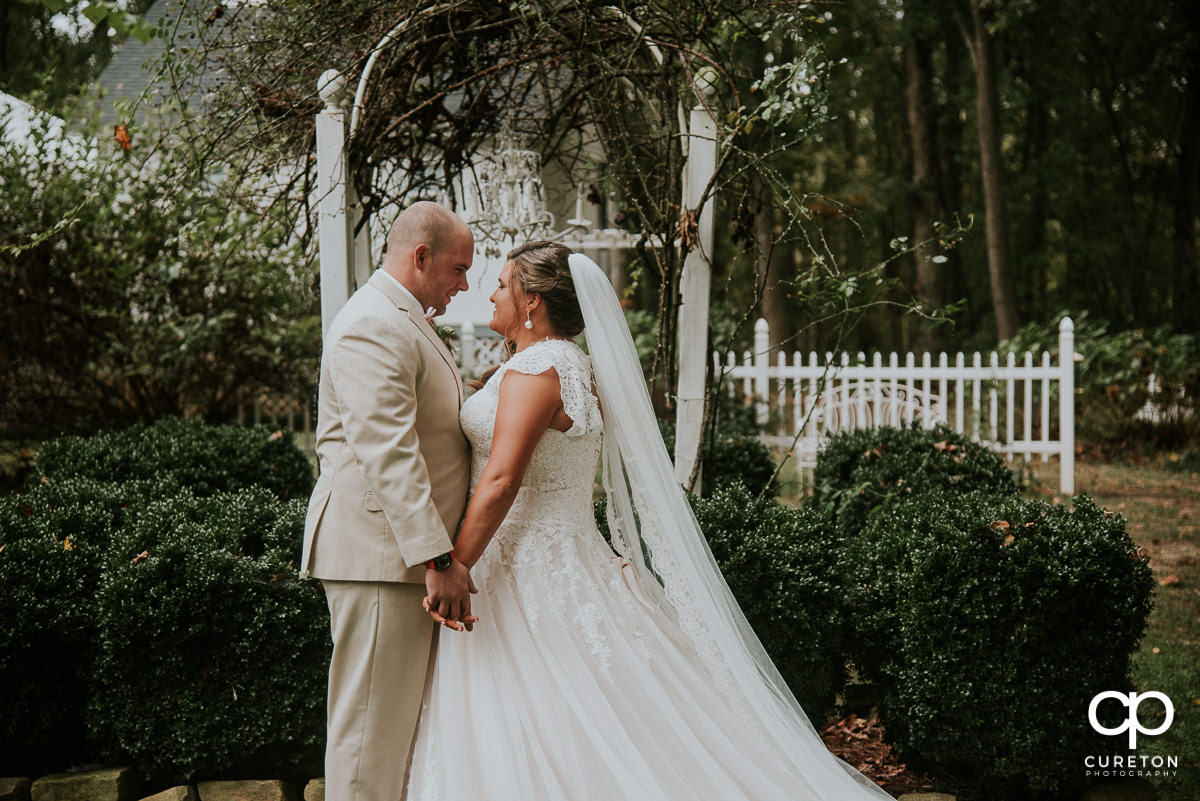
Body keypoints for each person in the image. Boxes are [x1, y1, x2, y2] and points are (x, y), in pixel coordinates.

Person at [403, 241, 895, 800]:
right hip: (561, 551)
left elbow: (501, 480)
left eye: (500, 284)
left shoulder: (537, 370)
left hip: (522, 566)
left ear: (532, 301)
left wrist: (455, 565)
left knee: (542, 708)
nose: (490, 293)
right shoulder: (570, 366)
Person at [301, 201, 478, 801]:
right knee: (368, 739)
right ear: (420, 257)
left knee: (390, 732)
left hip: (395, 556)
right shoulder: (373, 323)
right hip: (383, 556)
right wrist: (438, 559)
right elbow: (388, 452)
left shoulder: (402, 317)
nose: (465, 283)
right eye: (458, 269)